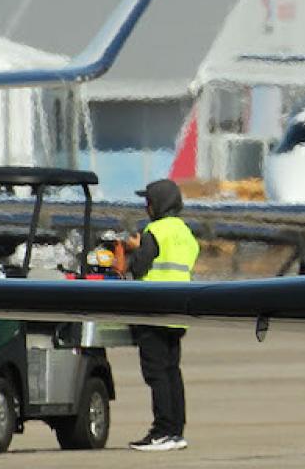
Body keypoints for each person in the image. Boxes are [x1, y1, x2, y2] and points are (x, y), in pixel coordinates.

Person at [125, 179, 198, 453]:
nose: (146, 207)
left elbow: (139, 268)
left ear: (158, 205)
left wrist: (135, 249)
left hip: (153, 310)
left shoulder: (154, 231)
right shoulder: (185, 232)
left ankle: (162, 431)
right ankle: (176, 431)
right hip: (179, 310)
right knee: (171, 372)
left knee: (156, 374)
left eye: (149, 202)